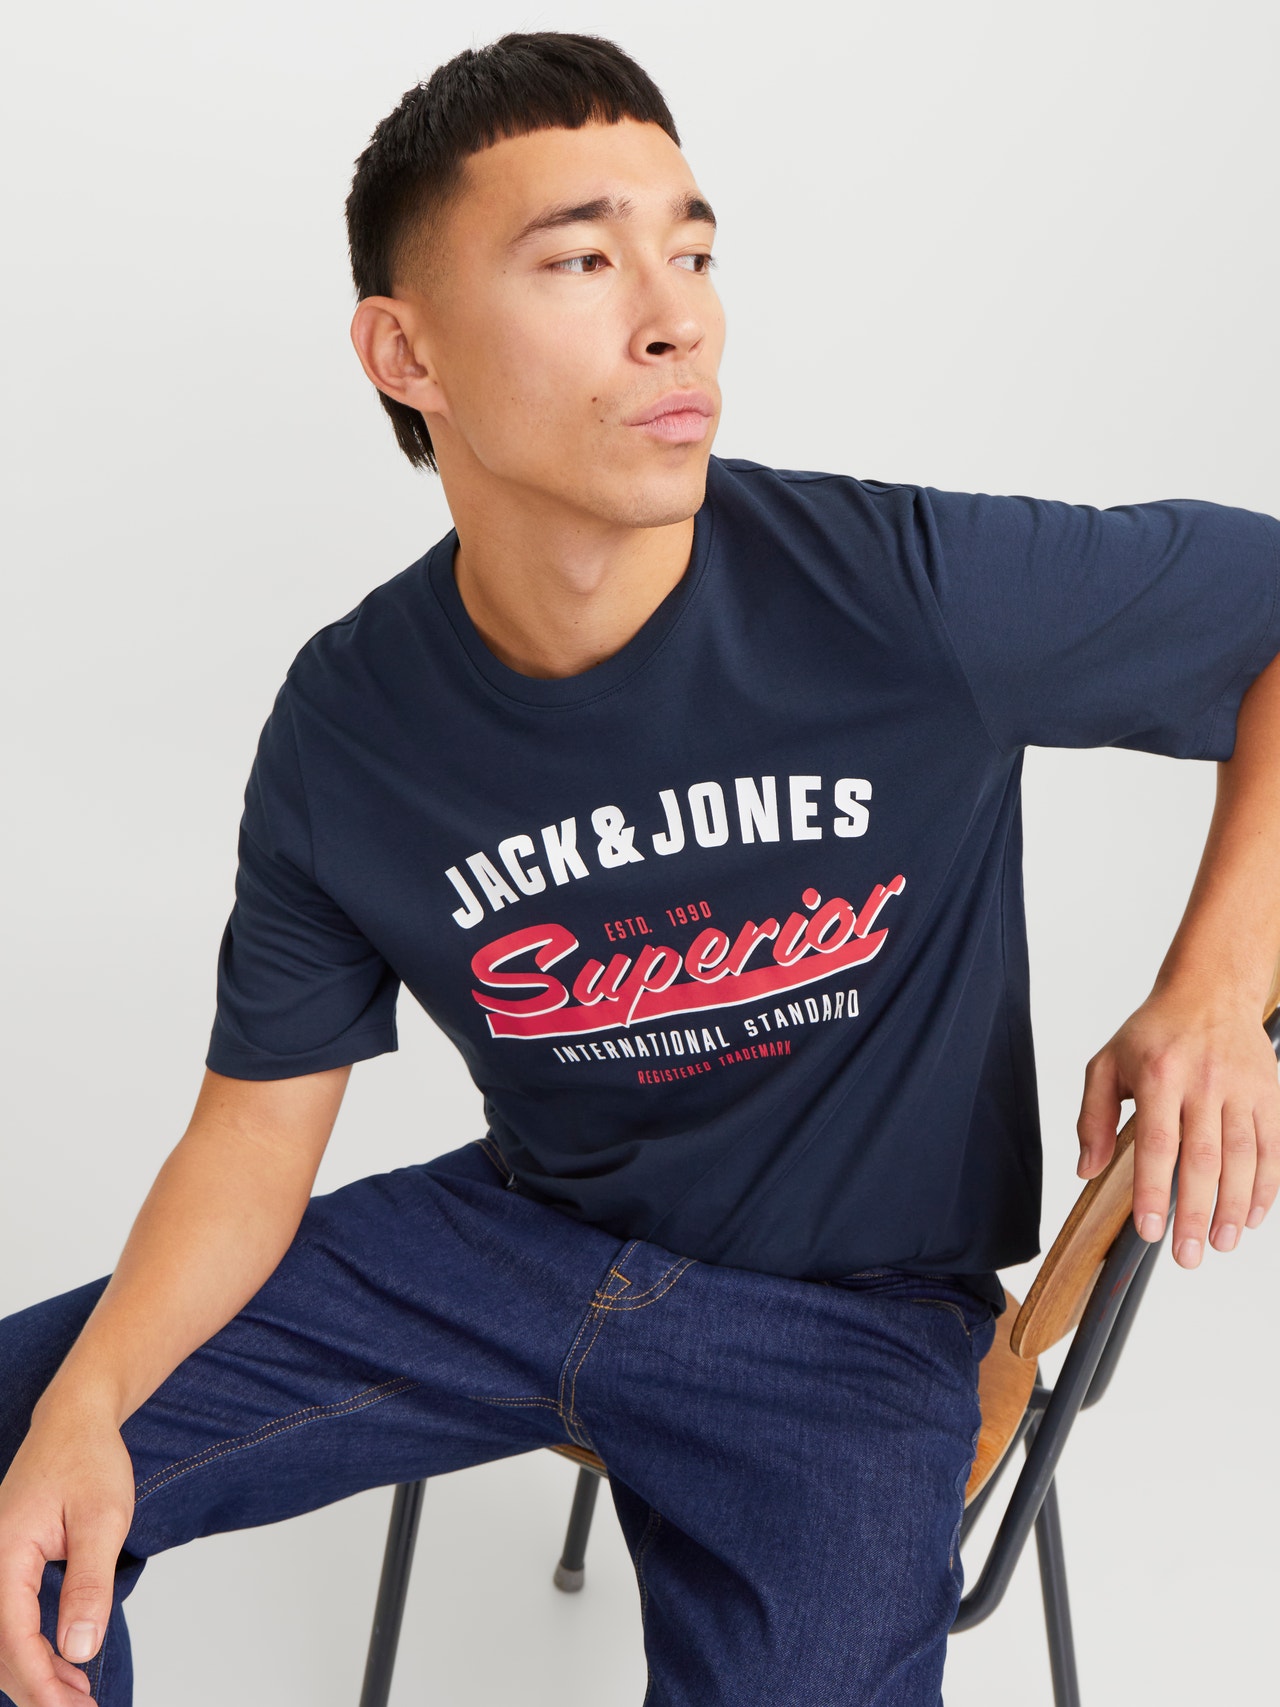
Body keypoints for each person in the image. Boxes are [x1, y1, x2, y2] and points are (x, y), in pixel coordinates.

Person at [2, 28, 1279, 1707]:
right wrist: (89, 1403)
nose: (677, 318)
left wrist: (1218, 986)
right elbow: (253, 1135)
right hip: (511, 1249)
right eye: (584, 262)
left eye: (693, 251)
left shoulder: (906, 595)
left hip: (854, 1323)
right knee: (19, 1466)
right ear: (406, 351)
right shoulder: (350, 722)